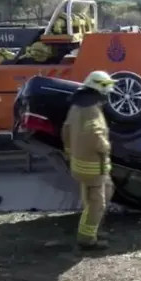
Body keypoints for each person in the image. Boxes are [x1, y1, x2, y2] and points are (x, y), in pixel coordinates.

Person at [61, 70, 116, 250]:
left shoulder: (76, 106)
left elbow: (66, 130)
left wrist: (69, 150)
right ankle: (87, 238)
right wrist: (105, 147)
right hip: (93, 166)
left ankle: (93, 228)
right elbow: (94, 134)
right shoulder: (91, 109)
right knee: (97, 202)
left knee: (105, 190)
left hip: (79, 162)